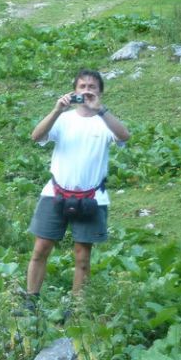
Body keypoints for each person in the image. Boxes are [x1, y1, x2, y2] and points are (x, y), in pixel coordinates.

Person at [25, 68, 130, 309]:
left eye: (92, 87)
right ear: (74, 91)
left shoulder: (104, 122)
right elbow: (36, 136)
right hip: (55, 193)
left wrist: (100, 110)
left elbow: (125, 136)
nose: (86, 91)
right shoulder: (63, 119)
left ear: (100, 92)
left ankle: (76, 308)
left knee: (83, 256)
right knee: (40, 249)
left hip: (93, 196)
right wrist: (56, 109)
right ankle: (30, 301)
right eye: (82, 86)